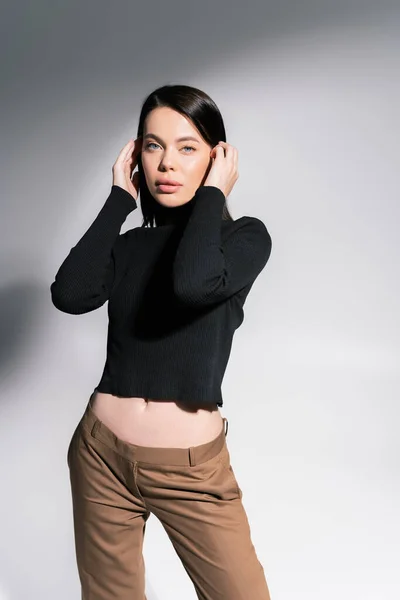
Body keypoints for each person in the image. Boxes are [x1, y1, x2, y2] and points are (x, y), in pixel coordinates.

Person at [51, 84, 272, 600]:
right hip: (100, 454)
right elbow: (70, 293)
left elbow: (192, 284)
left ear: (218, 157)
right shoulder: (128, 245)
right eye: (153, 146)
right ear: (136, 157)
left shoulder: (244, 239)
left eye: (187, 147)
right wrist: (117, 201)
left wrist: (214, 194)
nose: (167, 162)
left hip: (192, 470)